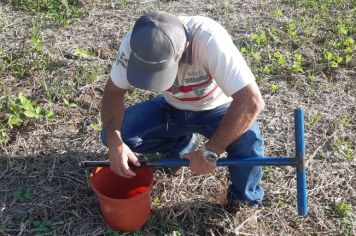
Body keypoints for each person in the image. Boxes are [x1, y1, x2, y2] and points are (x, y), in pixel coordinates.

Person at [100, 11, 265, 207]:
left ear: (184, 47)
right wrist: (114, 140)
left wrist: (210, 151)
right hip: (171, 108)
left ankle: (243, 200)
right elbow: (113, 92)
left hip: (218, 108)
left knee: (248, 145)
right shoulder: (135, 44)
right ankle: (182, 146)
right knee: (118, 134)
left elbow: (250, 101)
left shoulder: (209, 40)